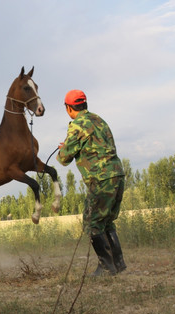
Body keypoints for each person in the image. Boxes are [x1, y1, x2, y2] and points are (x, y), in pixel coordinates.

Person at [56, 89, 127, 276]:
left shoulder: (77, 125)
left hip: (101, 179)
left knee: (92, 221)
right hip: (117, 175)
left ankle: (106, 267)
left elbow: (64, 158)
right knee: (107, 221)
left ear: (69, 108)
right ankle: (118, 264)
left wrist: (64, 149)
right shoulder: (99, 120)